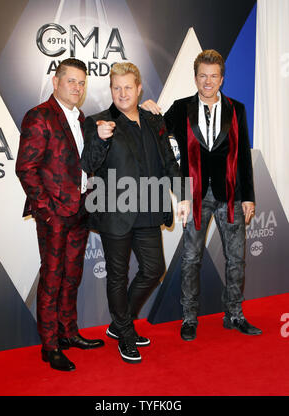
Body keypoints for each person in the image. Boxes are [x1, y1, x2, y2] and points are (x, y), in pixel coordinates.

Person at [141, 49, 262, 341]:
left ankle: (234, 314)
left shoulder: (237, 109)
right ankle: (189, 318)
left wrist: (249, 196)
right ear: (195, 77)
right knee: (191, 258)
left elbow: (243, 155)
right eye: (202, 76)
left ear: (221, 78)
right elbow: (155, 131)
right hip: (193, 195)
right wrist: (145, 109)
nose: (208, 81)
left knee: (236, 259)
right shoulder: (181, 108)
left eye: (214, 76)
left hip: (231, 193)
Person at [81, 62, 189, 363]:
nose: (122, 93)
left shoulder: (154, 119)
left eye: (128, 87)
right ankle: (126, 334)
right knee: (117, 276)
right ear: (111, 89)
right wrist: (100, 140)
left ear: (139, 88)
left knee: (154, 269)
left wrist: (183, 196)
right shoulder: (97, 121)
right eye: (117, 88)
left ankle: (119, 322)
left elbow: (169, 161)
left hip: (150, 210)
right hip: (116, 212)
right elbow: (88, 164)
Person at [16, 58, 104, 372]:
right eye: (71, 81)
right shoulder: (39, 116)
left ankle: (69, 333)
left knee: (72, 276)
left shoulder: (81, 118)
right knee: (52, 278)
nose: (77, 88)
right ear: (56, 82)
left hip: (80, 211)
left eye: (82, 82)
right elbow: (25, 168)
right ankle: (50, 345)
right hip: (54, 216)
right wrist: (47, 213)